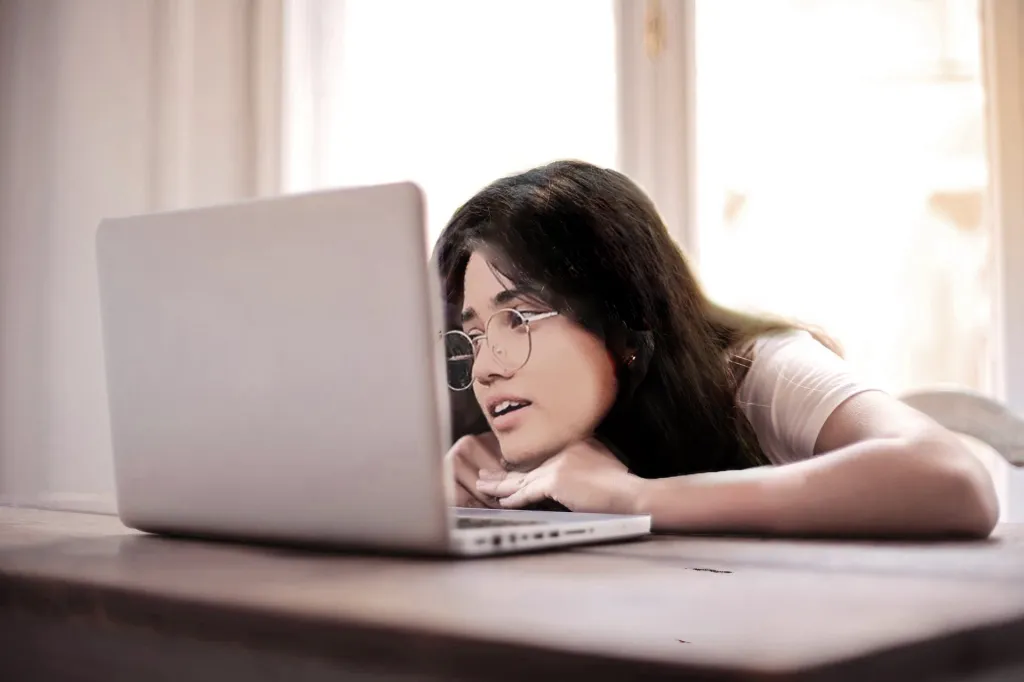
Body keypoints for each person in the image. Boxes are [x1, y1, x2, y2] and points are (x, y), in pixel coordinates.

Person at [431, 160, 999, 538]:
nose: (484, 369)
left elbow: (953, 479)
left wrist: (633, 499)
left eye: (518, 318)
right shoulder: (544, 433)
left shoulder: (759, 368)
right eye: (474, 335)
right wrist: (444, 504)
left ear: (623, 321)